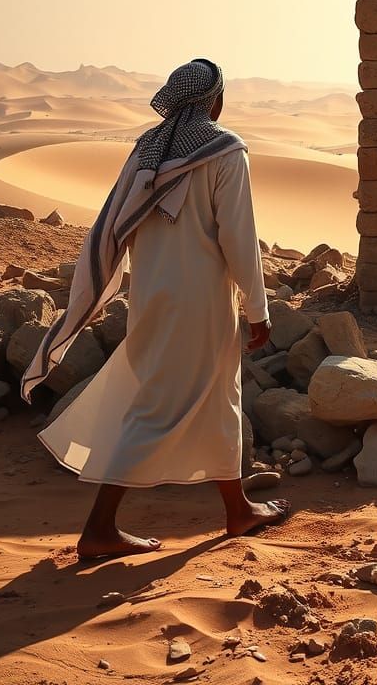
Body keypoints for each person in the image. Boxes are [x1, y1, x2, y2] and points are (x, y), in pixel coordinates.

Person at [22, 58, 290, 559]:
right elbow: (238, 237)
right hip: (203, 300)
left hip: (151, 298)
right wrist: (259, 307)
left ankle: (238, 510)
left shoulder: (148, 149)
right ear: (215, 100)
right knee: (159, 407)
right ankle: (99, 528)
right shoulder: (225, 151)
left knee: (217, 398)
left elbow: (112, 226)